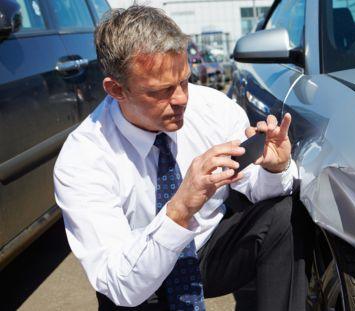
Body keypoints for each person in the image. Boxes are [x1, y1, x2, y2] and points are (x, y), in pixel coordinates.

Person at [53, 5, 309, 311]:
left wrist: (274, 169)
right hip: (140, 273)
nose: (181, 100)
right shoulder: (84, 157)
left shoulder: (213, 109)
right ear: (116, 89)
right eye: (161, 91)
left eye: (184, 81)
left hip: (208, 250)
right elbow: (119, 284)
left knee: (285, 212)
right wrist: (179, 208)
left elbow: (255, 189)